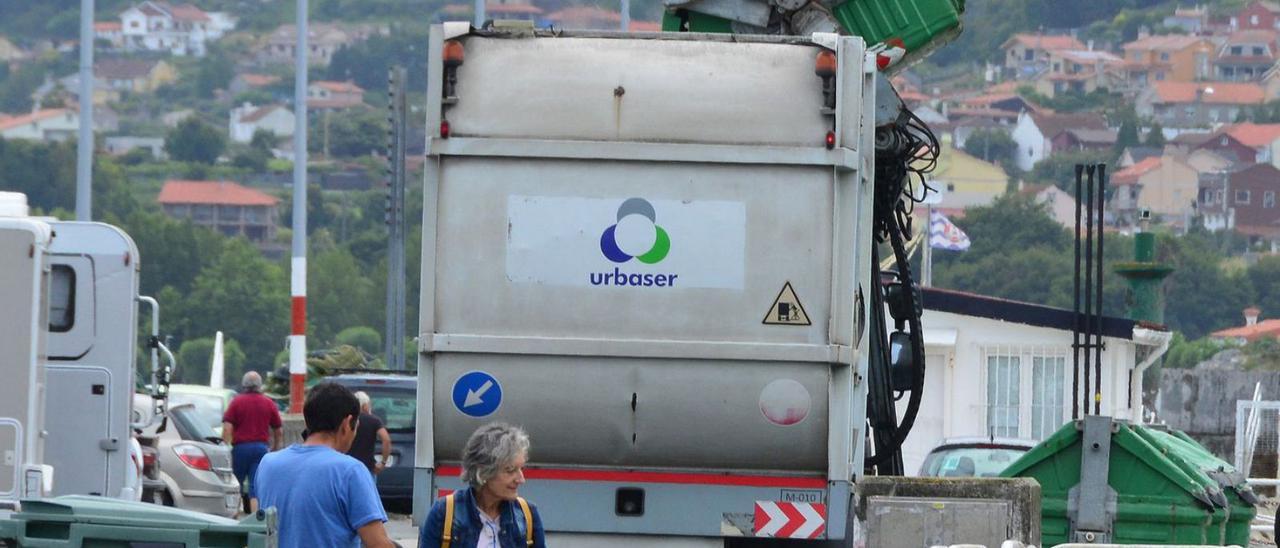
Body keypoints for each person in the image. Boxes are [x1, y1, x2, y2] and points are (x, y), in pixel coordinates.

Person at [255, 382, 395, 548]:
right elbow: (377, 544)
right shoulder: (350, 471)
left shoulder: (267, 464)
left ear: (308, 422)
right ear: (347, 423)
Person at [418, 423, 546, 548]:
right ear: (483, 472)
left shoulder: (527, 514)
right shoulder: (444, 513)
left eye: (521, 469)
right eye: (510, 470)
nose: (521, 479)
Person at [222, 370, 283, 513]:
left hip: (240, 448)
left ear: (244, 384)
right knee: (255, 485)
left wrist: (225, 446)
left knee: (235, 482)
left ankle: (234, 515)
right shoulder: (268, 403)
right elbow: (278, 430)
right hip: (261, 449)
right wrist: (275, 448)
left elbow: (227, 428)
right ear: (260, 385)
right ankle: (255, 517)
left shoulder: (236, 402)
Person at [347, 391, 392, 477]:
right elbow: (386, 439)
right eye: (369, 404)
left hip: (347, 466)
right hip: (368, 468)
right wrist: (383, 462)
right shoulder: (374, 420)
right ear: (364, 406)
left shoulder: (347, 419)